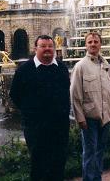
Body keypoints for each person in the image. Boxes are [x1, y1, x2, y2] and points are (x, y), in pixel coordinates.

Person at [9, 35, 70, 181]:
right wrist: (30, 113)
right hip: (36, 128)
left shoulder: (61, 68)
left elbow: (65, 92)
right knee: (39, 165)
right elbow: (15, 95)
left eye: (50, 46)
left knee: (59, 163)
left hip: (59, 126)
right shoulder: (24, 70)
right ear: (35, 48)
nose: (47, 49)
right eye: (43, 46)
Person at [71, 32, 110, 181]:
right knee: (89, 152)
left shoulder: (106, 65)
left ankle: (97, 178)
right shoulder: (80, 66)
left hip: (105, 117)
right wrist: (80, 118)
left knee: (100, 151)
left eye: (96, 42)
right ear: (85, 45)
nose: (93, 44)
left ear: (100, 44)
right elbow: (75, 95)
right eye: (90, 42)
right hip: (89, 118)